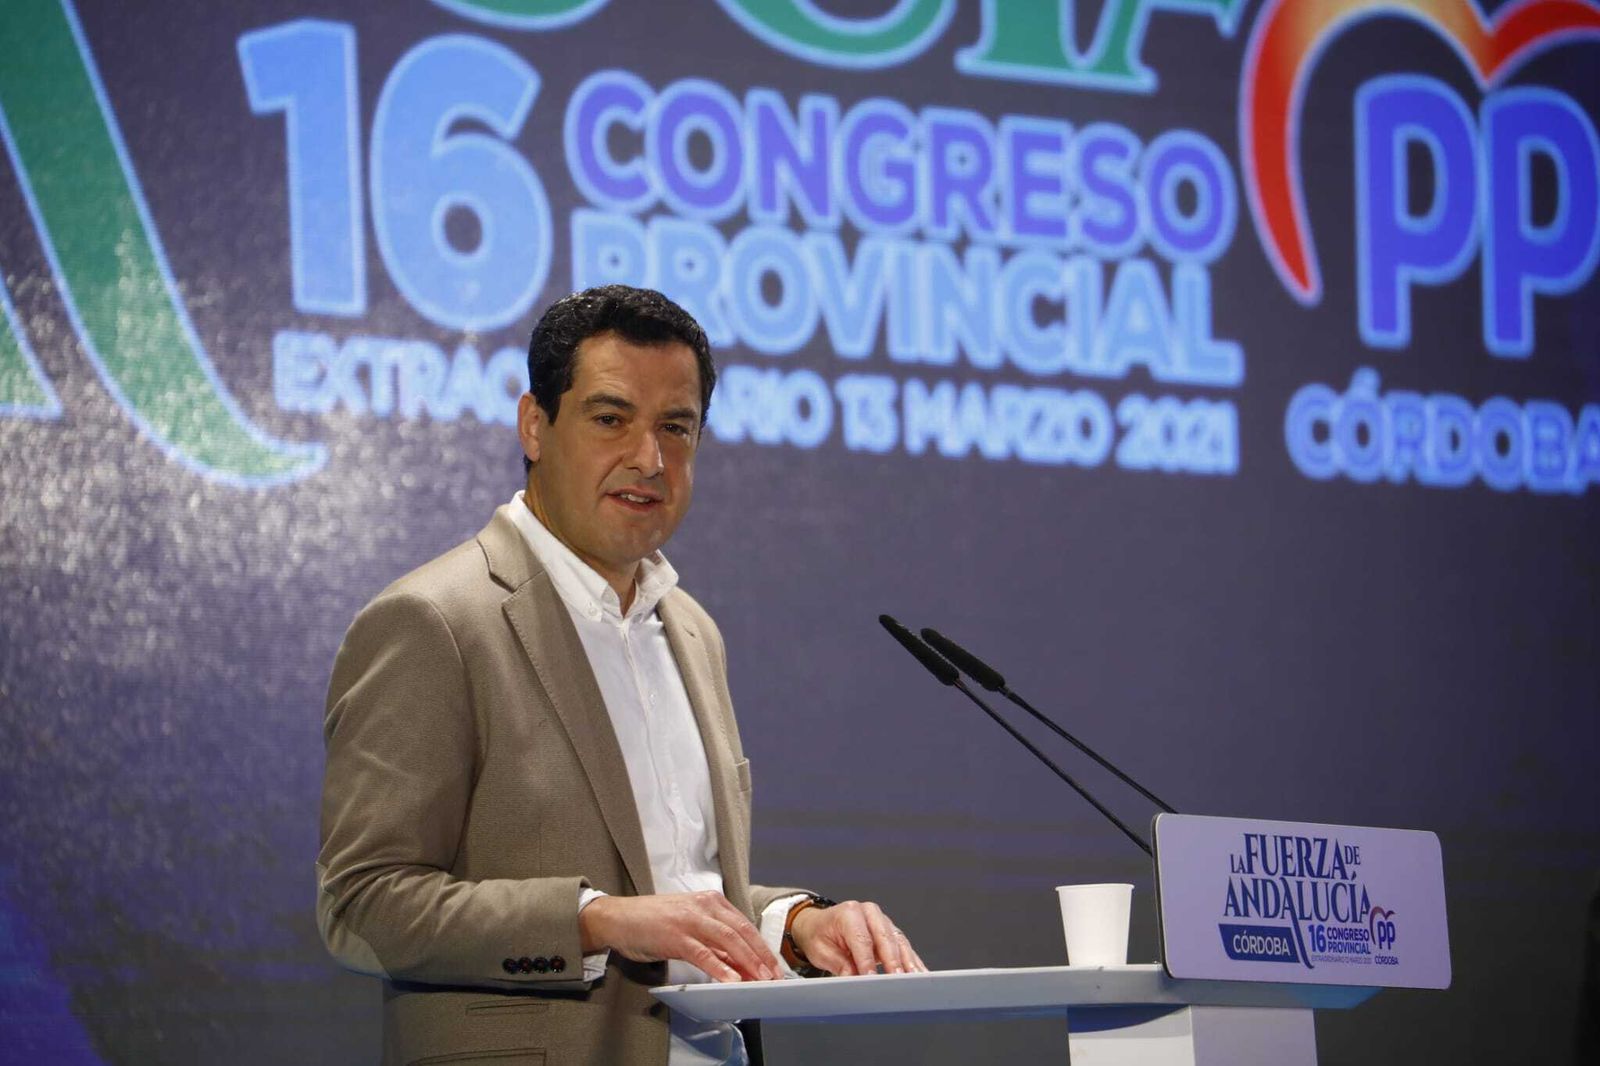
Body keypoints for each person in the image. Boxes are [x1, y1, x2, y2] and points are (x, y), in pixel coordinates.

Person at [317, 285, 925, 1066]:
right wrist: (593, 921)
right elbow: (361, 905)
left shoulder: (693, 631)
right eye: (611, 419)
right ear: (534, 425)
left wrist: (792, 924)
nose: (649, 459)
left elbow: (671, 887)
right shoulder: (435, 622)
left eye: (676, 427)